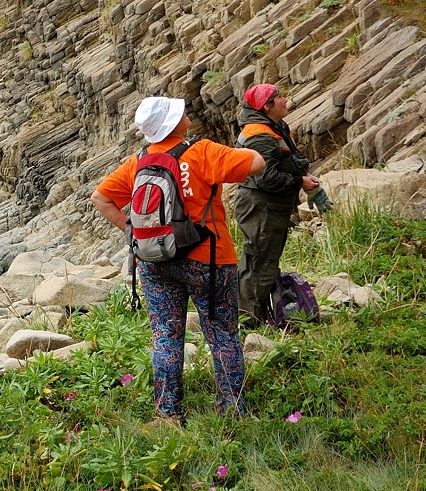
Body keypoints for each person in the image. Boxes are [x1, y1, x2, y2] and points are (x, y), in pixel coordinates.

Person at [91, 97, 265, 420]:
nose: (186, 114)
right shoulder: (202, 152)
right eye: (180, 112)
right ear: (173, 123)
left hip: (155, 262)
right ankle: (232, 412)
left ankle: (168, 414)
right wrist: (252, 142)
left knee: (165, 338)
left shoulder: (138, 162)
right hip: (208, 261)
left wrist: (131, 230)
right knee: (223, 336)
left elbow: (100, 197)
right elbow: (256, 163)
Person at [234, 84, 322, 326]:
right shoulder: (260, 135)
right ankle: (248, 323)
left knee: (263, 261)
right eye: (280, 97)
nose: (286, 100)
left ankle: (260, 317)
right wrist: (299, 181)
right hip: (261, 207)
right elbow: (266, 178)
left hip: (268, 208)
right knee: (258, 263)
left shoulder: (274, 127)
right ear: (267, 106)